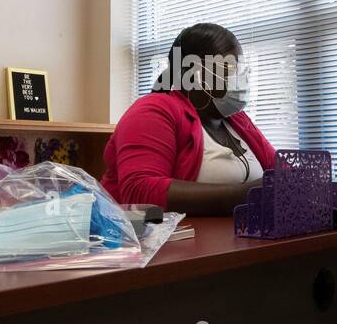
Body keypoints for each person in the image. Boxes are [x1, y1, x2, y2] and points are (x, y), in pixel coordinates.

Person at [102, 23, 275, 215]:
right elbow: (139, 192)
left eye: (240, 69)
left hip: (244, 240)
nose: (240, 78)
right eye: (230, 68)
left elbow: (280, 174)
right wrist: (245, 195)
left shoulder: (238, 119)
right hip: (163, 242)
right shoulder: (153, 111)